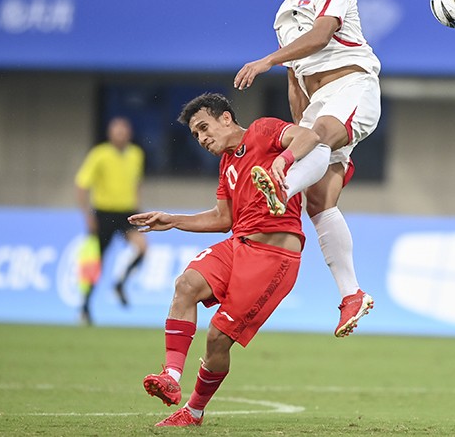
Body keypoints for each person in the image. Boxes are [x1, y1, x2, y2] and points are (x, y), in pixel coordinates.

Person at [128, 92, 325, 427]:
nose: (201, 138)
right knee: (186, 284)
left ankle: (194, 411)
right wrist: (173, 220)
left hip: (273, 256)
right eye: (195, 135)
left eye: (204, 128)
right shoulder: (227, 165)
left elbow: (310, 136)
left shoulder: (262, 131)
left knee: (218, 338)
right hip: (238, 244)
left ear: (226, 118)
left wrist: (283, 160)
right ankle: (171, 376)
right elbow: (223, 218)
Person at [233, 0, 380, 338]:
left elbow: (320, 36)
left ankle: (281, 182)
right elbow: (295, 79)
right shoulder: (282, 16)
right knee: (319, 202)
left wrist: (266, 60)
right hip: (318, 104)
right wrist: (299, 129)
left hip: (353, 86)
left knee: (321, 132)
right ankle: (351, 295)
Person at [74, 116, 148, 325]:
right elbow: (81, 185)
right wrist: (87, 215)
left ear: (129, 134)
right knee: (96, 262)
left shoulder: (136, 154)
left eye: (124, 131)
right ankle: (85, 307)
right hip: (104, 214)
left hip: (127, 213)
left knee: (142, 247)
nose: (121, 135)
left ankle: (120, 284)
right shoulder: (99, 154)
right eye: (117, 131)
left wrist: (138, 207)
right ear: (110, 134)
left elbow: (137, 182)